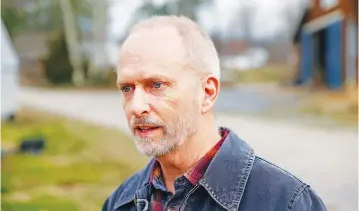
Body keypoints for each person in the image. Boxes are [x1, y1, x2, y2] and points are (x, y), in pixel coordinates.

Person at [102, 15, 327, 211]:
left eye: (156, 85)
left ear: (207, 93)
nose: (136, 106)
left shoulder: (285, 203)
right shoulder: (121, 202)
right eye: (127, 88)